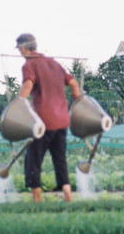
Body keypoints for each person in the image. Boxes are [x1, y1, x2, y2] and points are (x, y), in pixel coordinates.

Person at [16, 32, 82, 203]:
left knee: (33, 161)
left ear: (23, 48)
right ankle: (68, 198)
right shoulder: (54, 63)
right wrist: (78, 103)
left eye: (19, 49)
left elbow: (28, 83)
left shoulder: (29, 64)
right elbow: (74, 83)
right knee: (60, 161)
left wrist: (18, 104)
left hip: (42, 123)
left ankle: (37, 202)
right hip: (62, 121)